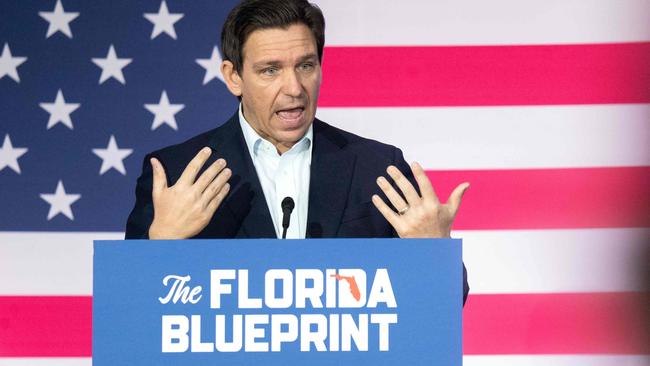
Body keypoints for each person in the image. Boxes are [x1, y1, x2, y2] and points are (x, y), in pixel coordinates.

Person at [125, 0, 469, 303]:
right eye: (270, 70)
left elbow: (442, 308)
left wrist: (434, 253)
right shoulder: (176, 173)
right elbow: (128, 309)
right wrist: (161, 242)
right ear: (233, 77)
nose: (293, 88)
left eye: (305, 65)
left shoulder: (376, 168)